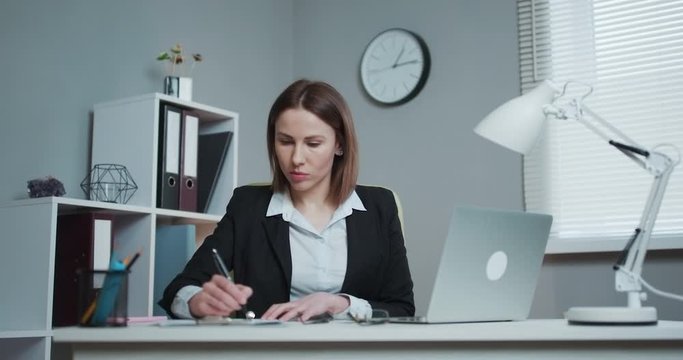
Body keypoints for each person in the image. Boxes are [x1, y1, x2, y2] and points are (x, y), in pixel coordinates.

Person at [159, 79, 414, 322]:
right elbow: (179, 289)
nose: (296, 158)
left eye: (313, 143)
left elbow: (402, 308)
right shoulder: (248, 206)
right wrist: (196, 302)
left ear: (340, 145)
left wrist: (341, 304)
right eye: (285, 142)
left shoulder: (381, 206)